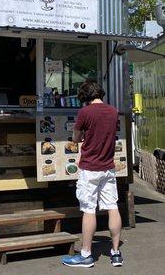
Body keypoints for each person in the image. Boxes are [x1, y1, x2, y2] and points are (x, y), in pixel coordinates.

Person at [62, 81, 123, 268]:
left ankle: (86, 255)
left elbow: (75, 138)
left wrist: (82, 136)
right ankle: (115, 253)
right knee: (112, 206)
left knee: (89, 209)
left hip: (90, 168)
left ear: (85, 96)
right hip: (108, 167)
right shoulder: (113, 111)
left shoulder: (85, 113)